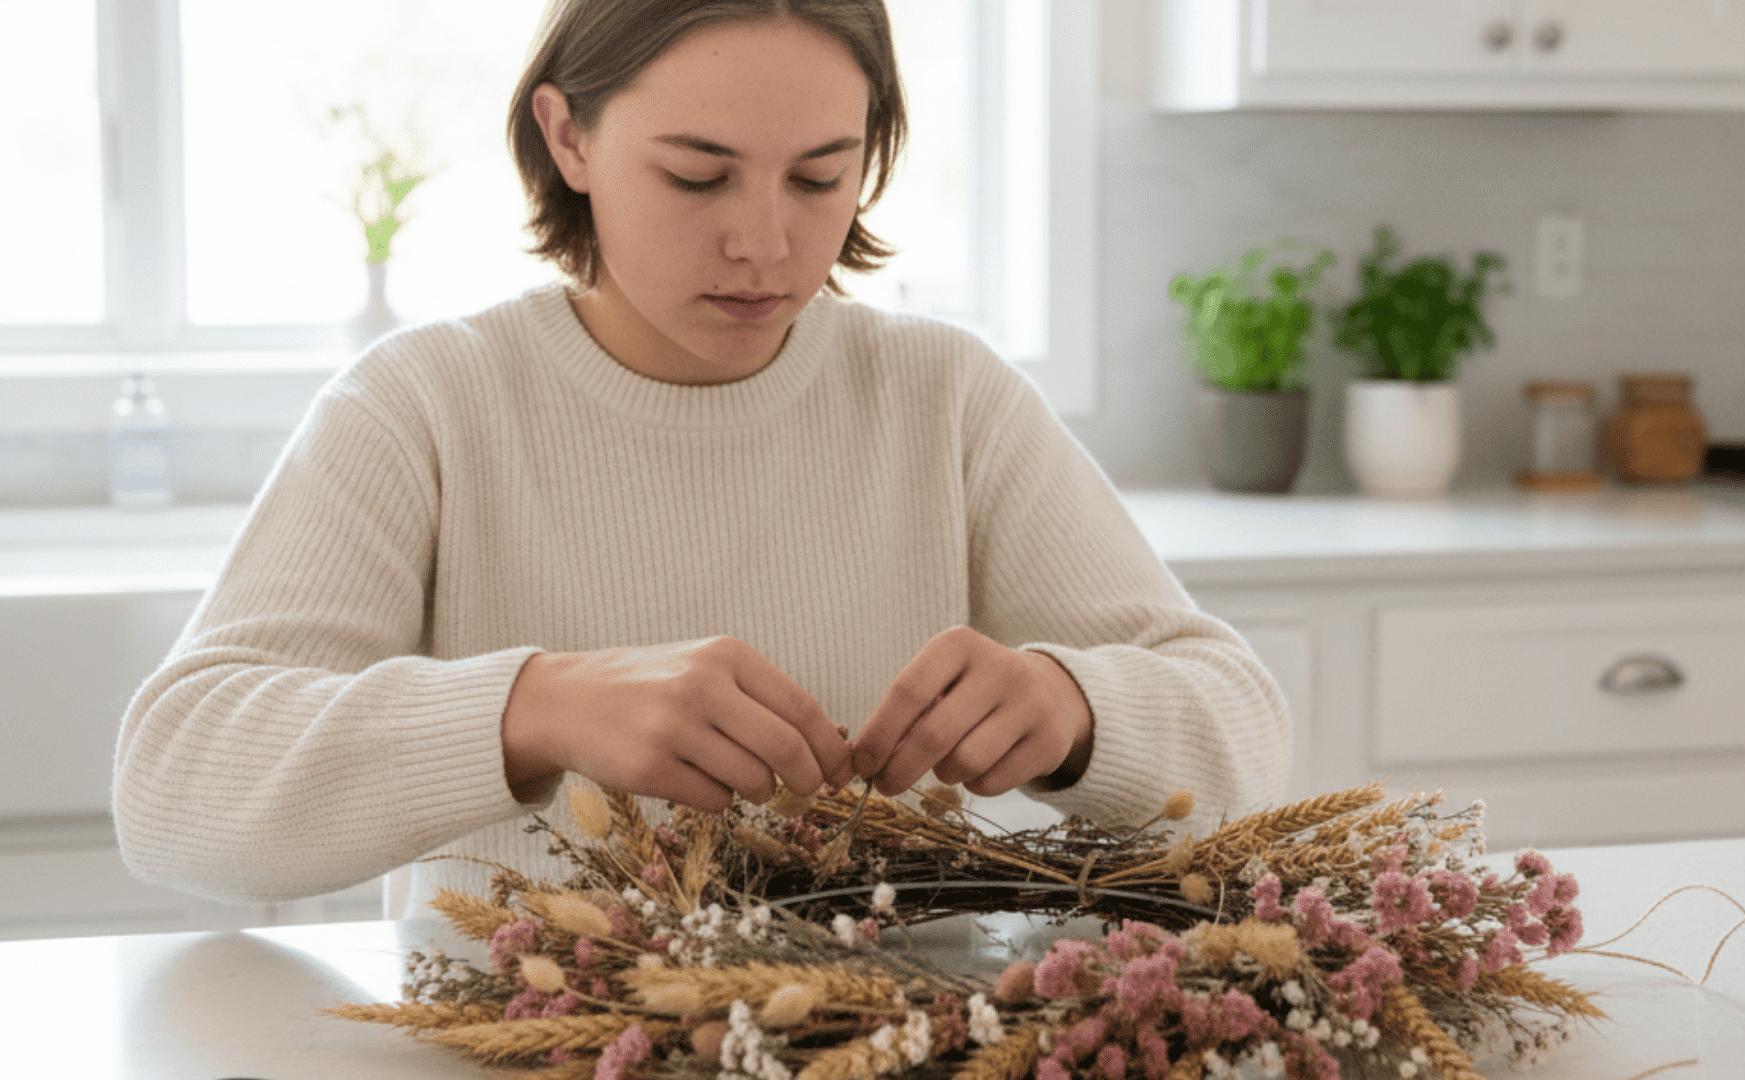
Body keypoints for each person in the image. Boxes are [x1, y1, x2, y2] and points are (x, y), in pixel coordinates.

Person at [112, 0, 1292, 916]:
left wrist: (1075, 706)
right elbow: (172, 790)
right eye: (698, 174)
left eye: (822, 176)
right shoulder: (427, 404)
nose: (766, 243)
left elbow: (1242, 726)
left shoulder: (947, 398)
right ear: (567, 133)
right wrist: (534, 708)